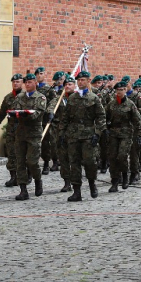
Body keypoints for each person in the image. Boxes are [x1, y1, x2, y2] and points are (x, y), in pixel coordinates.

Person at [59, 71, 107, 201]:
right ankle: (77, 191)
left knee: (90, 162)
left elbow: (101, 117)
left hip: (88, 135)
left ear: (87, 81)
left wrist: (98, 133)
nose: (80, 82)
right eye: (78, 80)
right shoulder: (72, 98)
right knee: (74, 163)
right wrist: (62, 133)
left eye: (83, 80)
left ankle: (92, 184)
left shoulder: (94, 98)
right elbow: (65, 117)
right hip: (73, 135)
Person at [13, 73, 49, 200]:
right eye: (26, 83)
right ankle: (23, 189)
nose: (27, 85)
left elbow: (38, 114)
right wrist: (15, 115)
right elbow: (15, 110)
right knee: (20, 162)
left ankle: (38, 181)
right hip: (21, 133)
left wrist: (26, 115)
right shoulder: (19, 97)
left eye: (30, 82)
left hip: (34, 133)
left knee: (32, 162)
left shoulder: (41, 97)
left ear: (35, 83)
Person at [105, 78, 141, 192]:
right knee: (112, 157)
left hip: (126, 133)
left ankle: (125, 176)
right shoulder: (111, 104)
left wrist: (140, 134)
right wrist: (105, 128)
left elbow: (137, 120)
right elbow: (104, 118)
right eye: (117, 90)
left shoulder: (130, 104)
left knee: (122, 156)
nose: (119, 92)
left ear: (125, 90)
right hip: (113, 133)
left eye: (121, 90)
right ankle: (115, 181)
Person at [0, 74, 24, 186]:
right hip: (11, 129)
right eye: (14, 82)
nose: (15, 84)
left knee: (22, 154)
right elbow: (2, 113)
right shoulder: (8, 98)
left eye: (18, 81)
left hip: (23, 129)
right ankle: (13, 176)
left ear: (22, 83)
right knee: (11, 153)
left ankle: (25, 175)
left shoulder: (26, 96)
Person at [54, 74, 77, 192]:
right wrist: (50, 113)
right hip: (62, 132)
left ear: (74, 86)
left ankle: (76, 182)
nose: (67, 86)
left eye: (70, 84)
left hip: (76, 133)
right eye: (66, 85)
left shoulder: (78, 98)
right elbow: (51, 106)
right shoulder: (59, 98)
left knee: (75, 159)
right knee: (63, 159)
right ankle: (67, 182)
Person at [35, 66, 57, 175]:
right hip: (35, 120)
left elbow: (55, 101)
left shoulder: (50, 89)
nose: (39, 75)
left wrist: (50, 111)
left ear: (45, 75)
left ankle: (46, 163)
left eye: (41, 73)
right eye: (37, 74)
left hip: (45, 120)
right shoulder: (34, 89)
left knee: (45, 143)